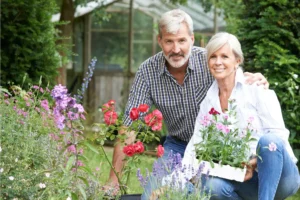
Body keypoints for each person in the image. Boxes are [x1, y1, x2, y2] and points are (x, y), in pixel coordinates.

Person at [104, 9, 269, 194]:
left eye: (181, 40)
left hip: (213, 147)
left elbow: (237, 81)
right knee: (153, 196)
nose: (176, 49)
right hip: (177, 145)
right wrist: (113, 181)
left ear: (191, 38)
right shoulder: (147, 72)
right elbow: (130, 126)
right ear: (160, 41)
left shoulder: (209, 61)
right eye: (169, 41)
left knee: (209, 192)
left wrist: (255, 79)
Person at [176, 32, 300, 199]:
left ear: (237, 61)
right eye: (213, 57)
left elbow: (279, 138)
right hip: (244, 180)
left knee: (269, 142)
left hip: (280, 179)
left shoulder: (256, 88)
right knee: (212, 185)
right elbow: (195, 145)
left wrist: (255, 161)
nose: (218, 62)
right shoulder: (209, 100)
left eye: (224, 56)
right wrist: (172, 183)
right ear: (208, 62)